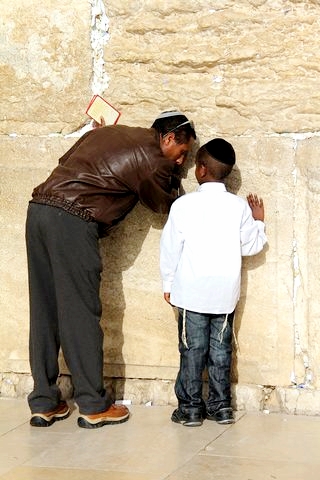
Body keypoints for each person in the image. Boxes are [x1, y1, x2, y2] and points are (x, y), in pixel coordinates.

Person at [26, 110, 196, 429]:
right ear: (169, 138)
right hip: (72, 221)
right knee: (81, 313)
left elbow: (67, 158)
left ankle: (44, 402)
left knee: (44, 312)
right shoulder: (153, 155)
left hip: (38, 212)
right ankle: (92, 404)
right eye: (183, 154)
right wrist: (177, 180)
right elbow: (166, 205)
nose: (180, 162)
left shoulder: (107, 134)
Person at [160, 138, 267, 427]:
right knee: (221, 351)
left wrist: (168, 282)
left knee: (192, 350)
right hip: (224, 293)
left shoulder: (183, 205)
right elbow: (250, 247)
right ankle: (221, 408)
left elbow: (171, 247)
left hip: (192, 291)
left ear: (202, 170)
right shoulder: (238, 207)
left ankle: (191, 408)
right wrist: (259, 221)